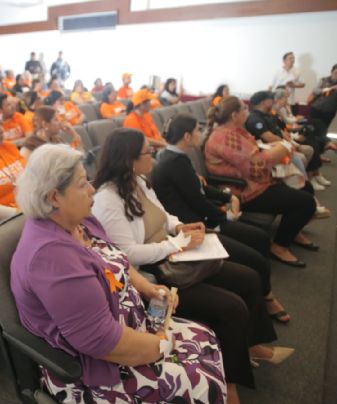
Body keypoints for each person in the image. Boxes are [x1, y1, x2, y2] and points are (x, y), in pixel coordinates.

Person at [11, 143, 228, 403]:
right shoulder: (51, 258)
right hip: (98, 367)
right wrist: (160, 346)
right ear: (53, 197)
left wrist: (147, 289)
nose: (91, 189)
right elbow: (99, 341)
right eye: (82, 184)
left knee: (206, 337)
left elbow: (118, 260)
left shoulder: (81, 219)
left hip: (132, 328)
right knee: (198, 381)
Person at [92, 130, 292, 401]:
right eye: (146, 153)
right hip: (154, 276)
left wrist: (179, 227)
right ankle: (230, 385)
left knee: (248, 278)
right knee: (232, 307)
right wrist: (177, 245)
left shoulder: (138, 181)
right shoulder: (108, 199)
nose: (153, 156)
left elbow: (163, 214)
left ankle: (251, 345)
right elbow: (128, 254)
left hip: (173, 255)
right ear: (128, 159)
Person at [152, 113, 290, 323]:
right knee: (257, 257)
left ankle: (262, 294)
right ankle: (266, 297)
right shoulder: (174, 162)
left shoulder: (174, 156)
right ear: (187, 136)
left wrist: (228, 196)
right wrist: (224, 215)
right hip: (196, 225)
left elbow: (200, 188)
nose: (201, 134)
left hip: (201, 216)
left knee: (259, 239)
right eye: (197, 130)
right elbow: (196, 200)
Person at [205, 96, 317, 267]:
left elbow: (254, 152)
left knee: (306, 188)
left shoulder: (235, 131)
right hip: (242, 191)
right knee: (306, 202)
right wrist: (282, 148)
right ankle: (279, 247)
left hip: (254, 182)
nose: (247, 112)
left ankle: (293, 232)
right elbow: (254, 165)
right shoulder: (224, 137)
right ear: (235, 114)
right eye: (244, 109)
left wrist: (277, 148)